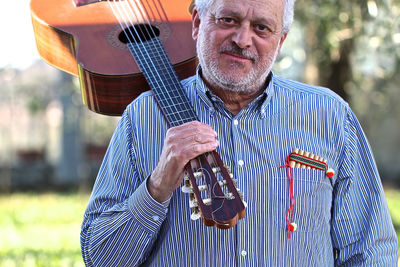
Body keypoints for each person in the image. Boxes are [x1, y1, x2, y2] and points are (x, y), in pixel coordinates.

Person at [80, 0, 398, 265]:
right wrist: (157, 186)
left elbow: (371, 250)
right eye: (228, 20)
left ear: (281, 40)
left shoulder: (329, 115)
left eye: (262, 27)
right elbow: (100, 257)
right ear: (196, 22)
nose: (242, 39)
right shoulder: (143, 116)